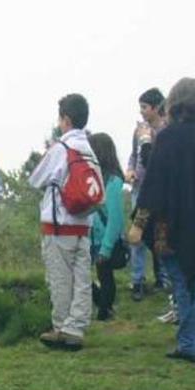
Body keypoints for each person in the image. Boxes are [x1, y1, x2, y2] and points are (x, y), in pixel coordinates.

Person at [128, 78, 195, 363]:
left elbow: (154, 185)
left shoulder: (169, 138)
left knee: (186, 283)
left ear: (173, 104)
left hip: (178, 224)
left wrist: (139, 223)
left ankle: (188, 344)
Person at [29, 94, 98, 351]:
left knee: (60, 278)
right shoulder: (89, 149)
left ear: (65, 120)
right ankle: (77, 327)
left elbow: (36, 179)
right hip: (84, 222)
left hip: (59, 223)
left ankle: (61, 328)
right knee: (82, 278)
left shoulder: (62, 148)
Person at [126, 88, 168, 302]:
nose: (141, 112)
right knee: (137, 236)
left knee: (160, 233)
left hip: (160, 190)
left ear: (155, 108)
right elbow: (134, 156)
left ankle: (164, 278)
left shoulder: (166, 131)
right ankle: (138, 280)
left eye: (144, 107)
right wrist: (130, 170)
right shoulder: (139, 131)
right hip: (139, 187)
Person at [88, 133, 125, 321]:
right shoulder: (97, 179)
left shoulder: (112, 181)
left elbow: (115, 217)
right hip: (94, 237)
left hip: (104, 238)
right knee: (94, 275)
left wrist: (107, 246)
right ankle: (105, 308)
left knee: (105, 274)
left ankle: (105, 310)